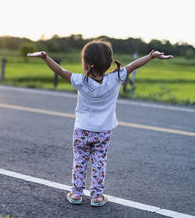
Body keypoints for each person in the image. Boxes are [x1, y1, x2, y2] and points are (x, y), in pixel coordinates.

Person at [27, 40, 173, 207]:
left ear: (87, 64)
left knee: (80, 161)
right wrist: (151, 56)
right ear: (109, 62)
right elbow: (133, 65)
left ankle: (76, 194)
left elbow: (60, 70)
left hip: (82, 130)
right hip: (103, 131)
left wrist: (45, 57)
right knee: (99, 162)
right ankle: (97, 196)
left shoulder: (81, 81)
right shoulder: (116, 77)